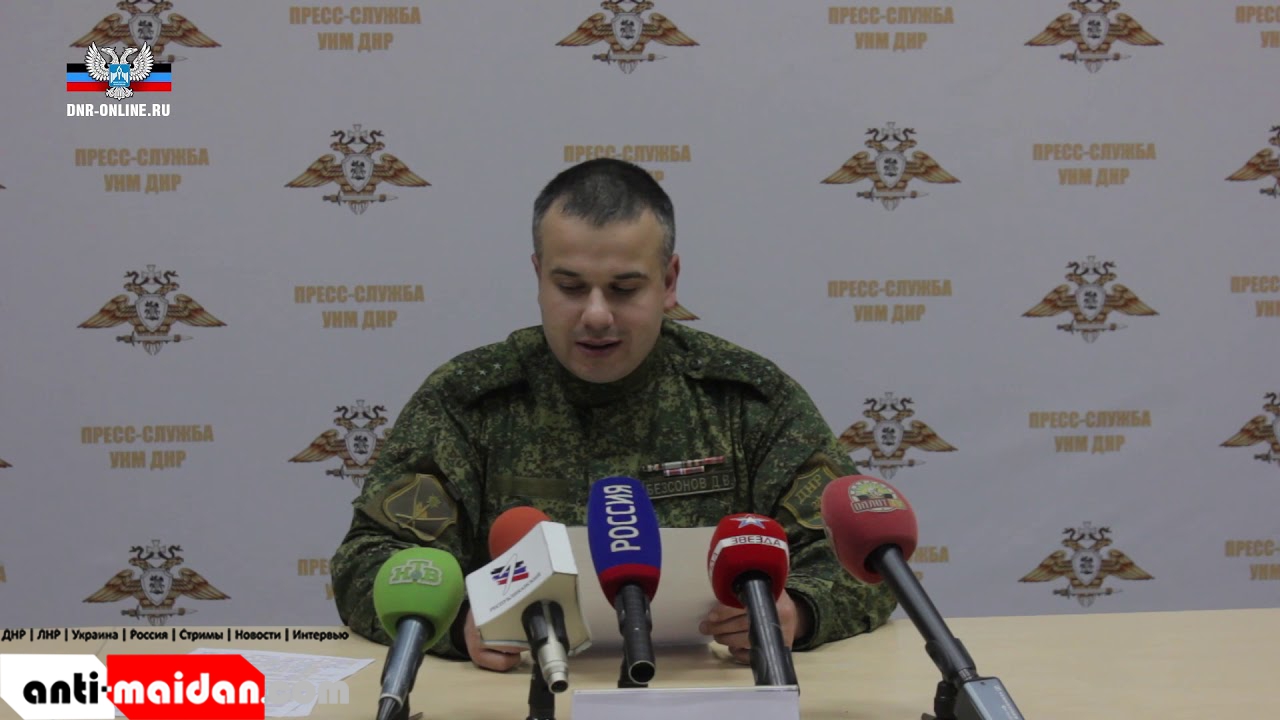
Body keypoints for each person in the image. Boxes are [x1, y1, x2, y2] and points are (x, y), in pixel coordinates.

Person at [330, 158, 897, 670]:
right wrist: (460, 625)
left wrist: (798, 609)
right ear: (538, 277)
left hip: (702, 693)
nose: (597, 315)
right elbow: (370, 560)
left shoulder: (745, 400)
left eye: (624, 289)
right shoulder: (468, 401)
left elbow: (865, 561)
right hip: (519, 693)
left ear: (669, 282)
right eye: (570, 287)